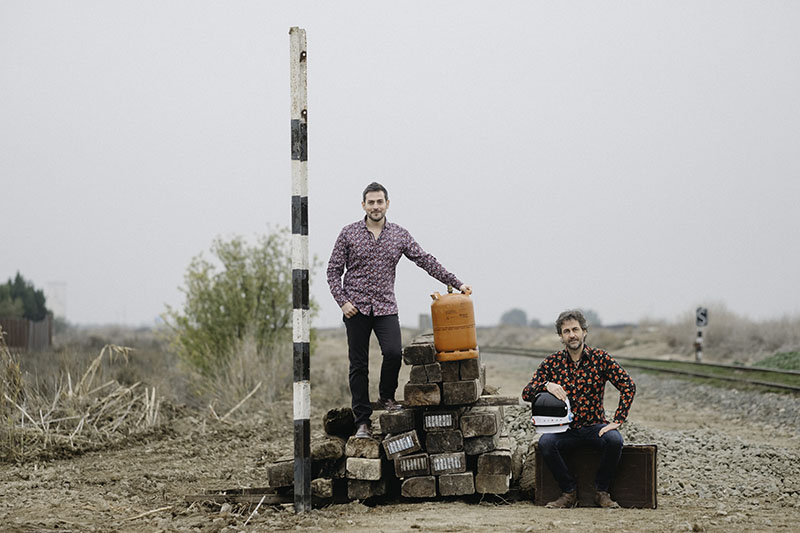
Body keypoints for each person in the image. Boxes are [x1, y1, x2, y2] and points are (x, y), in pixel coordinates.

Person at [327, 182, 471, 439]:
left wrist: (456, 282)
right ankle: (362, 421)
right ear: (363, 205)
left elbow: (425, 259)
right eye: (370, 202)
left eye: (379, 202)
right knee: (358, 366)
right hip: (356, 309)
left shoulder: (399, 235)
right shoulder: (348, 233)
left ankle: (386, 397)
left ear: (387, 204)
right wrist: (342, 301)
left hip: (385, 307)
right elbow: (333, 271)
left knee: (393, 353)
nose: (375, 206)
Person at [522, 309, 636, 509]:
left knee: (615, 440)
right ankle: (568, 492)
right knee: (546, 443)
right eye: (566, 331)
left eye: (575, 329)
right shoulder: (552, 362)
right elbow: (526, 392)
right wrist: (546, 385)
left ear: (584, 331)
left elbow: (628, 385)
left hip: (595, 426)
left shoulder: (601, 358)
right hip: (564, 430)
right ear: (561, 336)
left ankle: (601, 492)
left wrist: (618, 420)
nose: (571, 335)